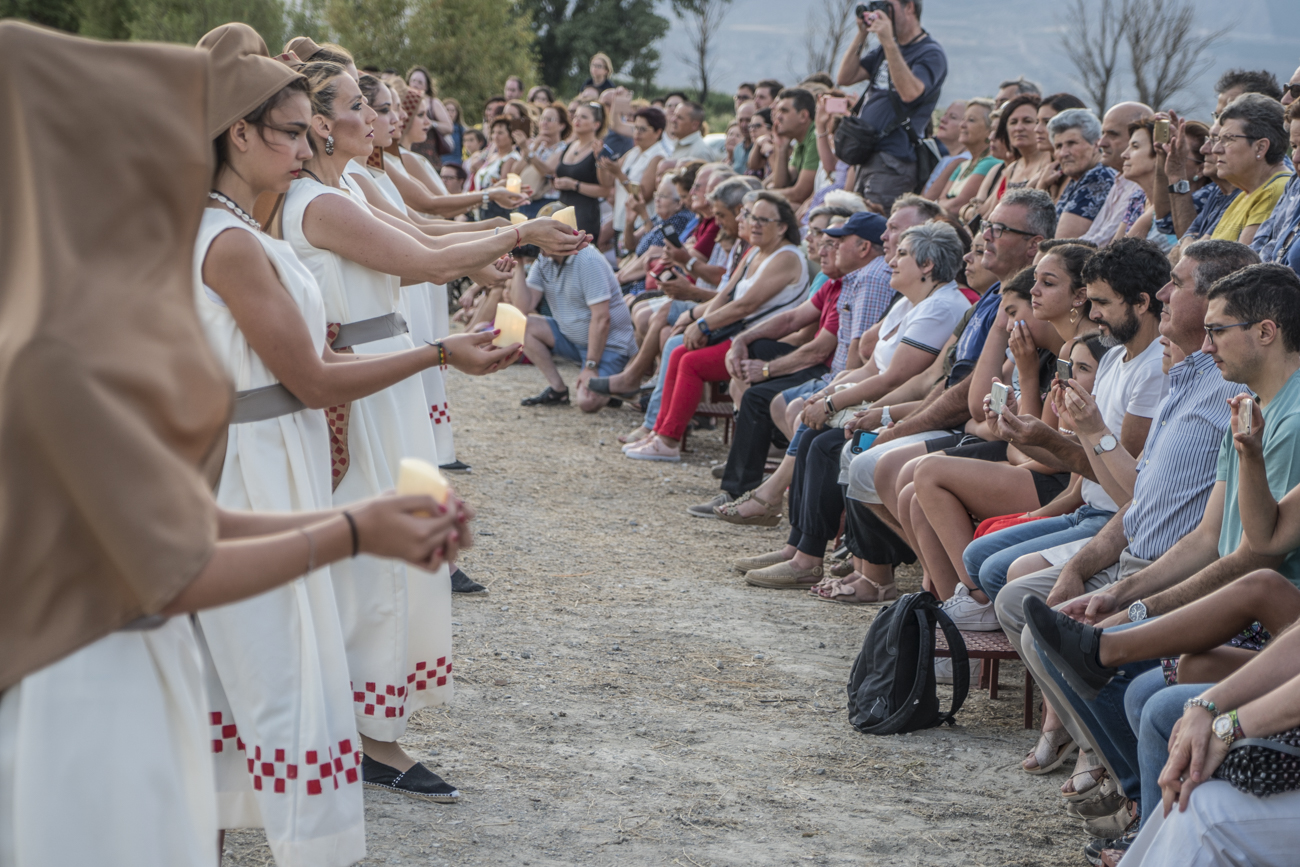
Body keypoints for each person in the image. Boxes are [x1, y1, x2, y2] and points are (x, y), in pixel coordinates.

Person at [0, 22, 470, 867]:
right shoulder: (54, 347)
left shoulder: (83, 307)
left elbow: (173, 520)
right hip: (83, 678)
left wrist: (351, 525)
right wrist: (351, 529)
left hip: (120, 651)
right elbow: (172, 552)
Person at [278, 59, 585, 798]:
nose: (374, 117)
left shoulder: (343, 188)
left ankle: (366, 725)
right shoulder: (318, 202)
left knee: (393, 549)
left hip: (386, 374)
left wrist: (502, 237)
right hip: (364, 380)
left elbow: (424, 238)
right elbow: (422, 255)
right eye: (359, 105)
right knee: (377, 557)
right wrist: (521, 229)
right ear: (322, 124)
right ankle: (370, 737)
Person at [742, 222, 971, 590]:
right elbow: (869, 366)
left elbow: (896, 379)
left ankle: (820, 560)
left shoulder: (943, 306)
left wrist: (843, 405)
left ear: (927, 265)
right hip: (884, 402)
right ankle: (798, 548)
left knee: (831, 446)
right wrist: (829, 394)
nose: (891, 260)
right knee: (816, 434)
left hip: (908, 409)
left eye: (901, 254)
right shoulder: (909, 302)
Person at [708, 212, 889, 514]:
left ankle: (757, 490)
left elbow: (823, 349)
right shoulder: (839, 280)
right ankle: (781, 487)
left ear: (863, 248)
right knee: (756, 357)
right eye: (821, 237)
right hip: (835, 372)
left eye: (835, 241)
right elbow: (793, 319)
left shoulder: (868, 280)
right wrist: (741, 339)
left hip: (835, 373)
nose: (824, 247)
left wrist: (767, 370)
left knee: (761, 397)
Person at [624, 192, 809, 462]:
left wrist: (702, 325)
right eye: (753, 217)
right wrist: (696, 320)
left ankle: (668, 440)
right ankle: (659, 432)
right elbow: (725, 296)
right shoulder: (754, 252)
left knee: (692, 363)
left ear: (782, 227)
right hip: (740, 335)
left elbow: (745, 305)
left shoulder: (787, 257)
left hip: (765, 343)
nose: (754, 224)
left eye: (763, 220)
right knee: (678, 350)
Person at [835, 0, 947, 210]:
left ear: (909, 7)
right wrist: (862, 34)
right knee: (857, 222)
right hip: (867, 153)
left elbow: (910, 93)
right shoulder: (885, 49)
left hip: (894, 159)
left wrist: (888, 41)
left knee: (875, 224)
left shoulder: (930, 53)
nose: (881, 13)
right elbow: (845, 77)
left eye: (887, 6)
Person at [513, 244, 638, 411]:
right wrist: (519, 263)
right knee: (522, 325)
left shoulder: (588, 259)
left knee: (587, 402)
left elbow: (602, 319)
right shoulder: (544, 259)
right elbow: (522, 308)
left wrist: (590, 367)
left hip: (610, 347)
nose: (534, 240)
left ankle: (612, 383)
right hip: (574, 340)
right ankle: (558, 390)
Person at [1210, 93, 1292, 244]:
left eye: (1228, 139)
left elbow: (1243, 258)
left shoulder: (1276, 191)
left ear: (1260, 147)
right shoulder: (1245, 194)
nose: (1215, 149)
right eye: (1218, 140)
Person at [1078, 102, 1153, 246]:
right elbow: (1097, 235)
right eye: (1103, 133)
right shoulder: (1124, 183)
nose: (1101, 143)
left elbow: (1103, 244)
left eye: (1113, 134)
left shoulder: (1137, 187)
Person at [602, 106, 668, 249]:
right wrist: (600, 160)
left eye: (643, 129)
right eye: (635, 128)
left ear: (658, 132)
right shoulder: (633, 152)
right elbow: (607, 182)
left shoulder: (658, 157)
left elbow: (643, 195)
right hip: (621, 221)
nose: (637, 133)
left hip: (638, 225)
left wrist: (619, 174)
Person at [1046, 109, 1116, 239]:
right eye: (1058, 146)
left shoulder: (1098, 178)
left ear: (1096, 145)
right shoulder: (1078, 177)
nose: (1063, 153)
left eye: (1071, 143)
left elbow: (1062, 242)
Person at [554, 101, 614, 238]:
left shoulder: (599, 150)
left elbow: (605, 189)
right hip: (561, 211)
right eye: (576, 116)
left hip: (584, 216)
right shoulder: (569, 146)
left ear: (596, 124)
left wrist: (574, 185)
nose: (577, 120)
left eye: (584, 117)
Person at [927, 98, 997, 215]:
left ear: (989, 130)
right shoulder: (963, 165)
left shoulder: (989, 162)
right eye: (963, 119)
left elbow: (956, 206)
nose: (962, 125)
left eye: (971, 120)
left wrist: (944, 204)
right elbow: (940, 200)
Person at [765, 87, 819, 206]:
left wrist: (762, 194)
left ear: (803, 116)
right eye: (778, 111)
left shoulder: (815, 136)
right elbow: (781, 184)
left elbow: (799, 194)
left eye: (784, 111)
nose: (778, 117)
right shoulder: (800, 139)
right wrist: (781, 148)